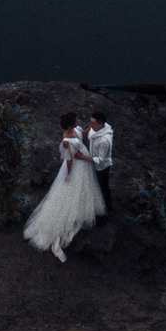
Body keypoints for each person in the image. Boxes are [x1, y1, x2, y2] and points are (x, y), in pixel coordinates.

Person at [22, 112, 106, 262]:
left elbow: (83, 133)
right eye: (77, 119)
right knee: (73, 190)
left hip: (82, 162)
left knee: (84, 188)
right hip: (77, 165)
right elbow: (69, 159)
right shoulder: (67, 140)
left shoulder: (75, 130)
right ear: (72, 123)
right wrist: (68, 174)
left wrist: (91, 126)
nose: (79, 120)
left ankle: (81, 207)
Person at [86, 112, 116, 209]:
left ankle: (107, 209)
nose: (90, 125)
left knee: (103, 188)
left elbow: (100, 159)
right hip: (94, 163)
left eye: (93, 123)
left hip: (102, 168)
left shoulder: (104, 140)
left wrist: (83, 157)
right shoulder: (96, 128)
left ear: (100, 124)